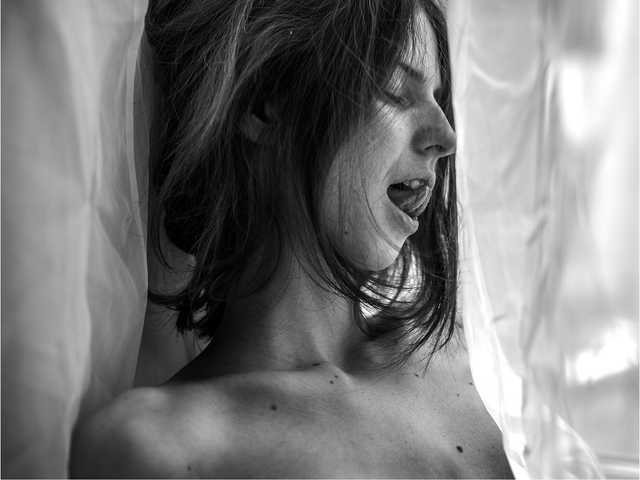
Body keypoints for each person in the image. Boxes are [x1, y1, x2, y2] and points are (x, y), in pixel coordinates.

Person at [70, 0, 514, 477]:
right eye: (395, 92)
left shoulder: (491, 370)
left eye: (438, 98)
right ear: (264, 103)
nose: (446, 137)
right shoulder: (157, 449)